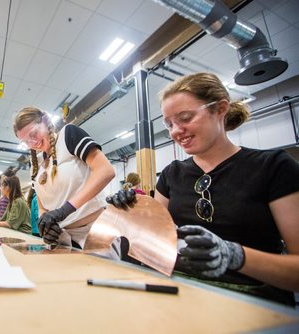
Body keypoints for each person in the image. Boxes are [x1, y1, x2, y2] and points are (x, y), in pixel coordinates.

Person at [108, 72, 299, 305]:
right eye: (169, 124)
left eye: (185, 118)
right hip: (180, 293)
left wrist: (236, 256)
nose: (176, 131)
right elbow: (152, 242)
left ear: (220, 109)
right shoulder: (172, 174)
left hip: (253, 301)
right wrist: (130, 213)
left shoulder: (273, 167)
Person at [13, 106, 115, 249]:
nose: (32, 143)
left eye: (34, 134)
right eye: (26, 142)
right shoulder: (35, 165)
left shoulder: (68, 135)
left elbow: (106, 171)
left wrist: (64, 211)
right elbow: (43, 206)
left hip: (95, 232)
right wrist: (46, 224)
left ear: (45, 121)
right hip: (63, 240)